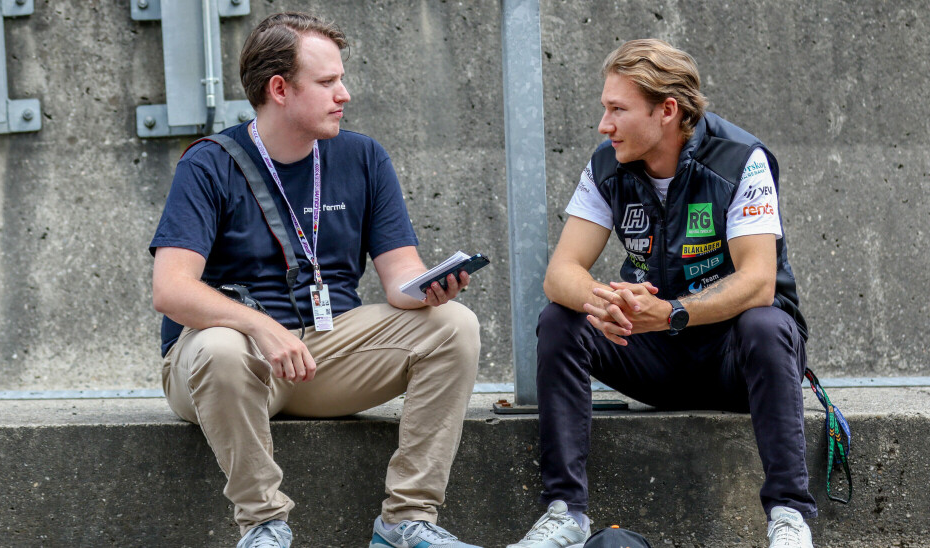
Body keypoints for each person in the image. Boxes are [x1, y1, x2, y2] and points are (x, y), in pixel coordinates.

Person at [150, 12, 482, 548]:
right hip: (226, 367)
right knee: (219, 347)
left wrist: (427, 288)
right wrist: (259, 326)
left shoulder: (362, 156)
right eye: (328, 82)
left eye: (341, 79)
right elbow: (171, 288)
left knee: (454, 325)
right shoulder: (208, 164)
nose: (344, 94)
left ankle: (405, 522)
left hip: (325, 351)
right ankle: (263, 526)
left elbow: (399, 275)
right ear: (279, 89)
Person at [507, 39, 815, 548]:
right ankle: (566, 515)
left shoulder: (742, 159)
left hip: (734, 362)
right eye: (605, 108)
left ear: (666, 111)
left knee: (767, 321)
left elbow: (759, 280)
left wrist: (671, 312)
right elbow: (561, 272)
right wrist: (606, 300)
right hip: (654, 354)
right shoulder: (607, 164)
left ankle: (788, 517)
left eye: (617, 109)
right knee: (562, 318)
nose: (604, 124)